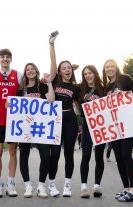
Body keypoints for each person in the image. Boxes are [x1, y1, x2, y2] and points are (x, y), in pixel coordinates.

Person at [103, 59, 133, 202]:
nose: (109, 69)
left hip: (127, 123)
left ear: (116, 67)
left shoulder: (124, 79)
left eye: (112, 66)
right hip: (114, 126)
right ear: (105, 70)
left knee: (126, 155)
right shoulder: (107, 86)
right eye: (107, 67)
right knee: (118, 157)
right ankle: (126, 188)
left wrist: (125, 93)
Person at [17, 63, 56, 198]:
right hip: (25, 127)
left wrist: (49, 83)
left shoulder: (42, 86)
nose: (30, 71)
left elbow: (51, 99)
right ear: (25, 73)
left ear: (36, 71)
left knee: (46, 156)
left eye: (32, 69)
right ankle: (28, 186)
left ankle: (41, 186)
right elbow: (13, 106)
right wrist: (9, 104)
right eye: (27, 69)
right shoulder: (21, 89)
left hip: (41, 128)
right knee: (24, 156)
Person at [0, 48, 23, 197]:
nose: (5, 59)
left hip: (13, 120)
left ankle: (11, 182)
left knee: (13, 151)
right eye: (2, 57)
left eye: (8, 57)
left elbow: (24, 94)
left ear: (11, 59)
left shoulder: (18, 75)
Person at [49, 31, 81, 197]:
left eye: (69, 68)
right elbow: (53, 62)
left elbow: (80, 104)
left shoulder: (76, 88)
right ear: (60, 72)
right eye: (64, 68)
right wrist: (52, 44)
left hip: (70, 120)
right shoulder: (55, 81)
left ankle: (67, 185)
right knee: (54, 154)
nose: (67, 70)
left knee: (69, 154)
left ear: (72, 70)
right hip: (55, 120)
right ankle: (52, 184)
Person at [78, 65, 106, 198]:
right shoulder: (80, 88)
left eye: (90, 73)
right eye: (85, 74)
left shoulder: (103, 88)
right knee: (86, 155)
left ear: (95, 73)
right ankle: (84, 187)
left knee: (99, 156)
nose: (88, 76)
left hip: (101, 126)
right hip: (87, 126)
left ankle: (97, 186)